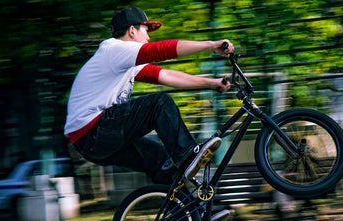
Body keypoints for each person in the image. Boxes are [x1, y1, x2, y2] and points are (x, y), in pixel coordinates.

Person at [65, 7, 234, 190]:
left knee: (161, 160)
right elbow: (162, 50)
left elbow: (167, 76)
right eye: (145, 31)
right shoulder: (115, 49)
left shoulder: (125, 60)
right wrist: (211, 45)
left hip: (89, 142)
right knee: (159, 103)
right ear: (131, 31)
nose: (148, 38)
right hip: (94, 130)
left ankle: (192, 215)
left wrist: (211, 83)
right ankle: (188, 155)